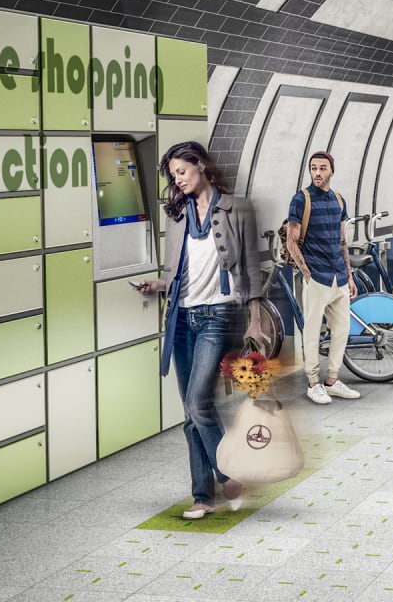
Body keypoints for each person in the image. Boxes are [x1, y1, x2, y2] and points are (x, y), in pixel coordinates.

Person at [134, 141, 264, 520]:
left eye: (182, 172)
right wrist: (155, 285)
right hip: (181, 318)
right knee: (191, 413)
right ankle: (202, 496)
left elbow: (252, 268)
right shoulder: (177, 215)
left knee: (197, 403)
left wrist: (255, 319)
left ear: (202, 166)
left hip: (218, 316)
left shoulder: (235, 208)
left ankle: (231, 474)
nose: (178, 180)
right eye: (173, 175)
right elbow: (175, 272)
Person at [283, 151, 361, 405]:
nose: (317, 173)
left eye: (322, 168)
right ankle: (313, 383)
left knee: (342, 329)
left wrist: (349, 276)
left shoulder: (339, 200)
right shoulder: (301, 200)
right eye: (314, 168)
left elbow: (341, 241)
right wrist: (307, 273)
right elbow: (291, 241)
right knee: (313, 331)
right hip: (317, 276)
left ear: (331, 171)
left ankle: (333, 380)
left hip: (338, 275)